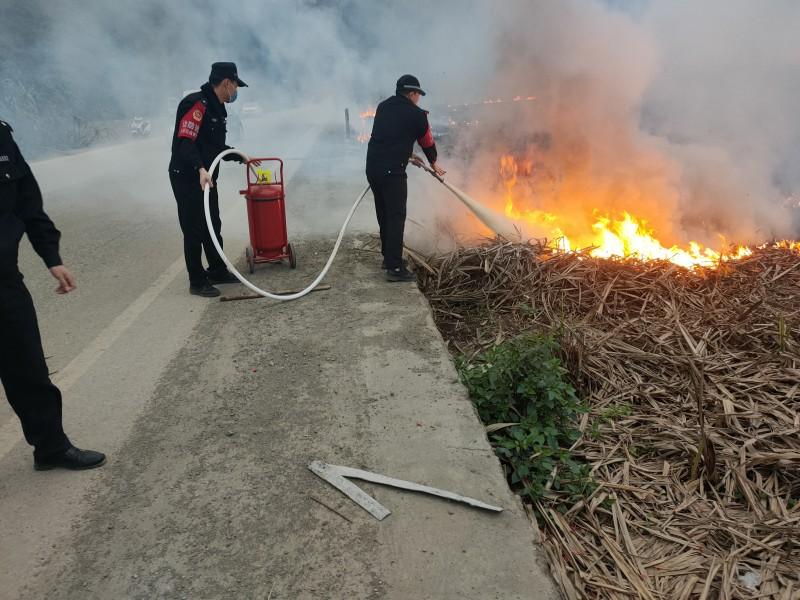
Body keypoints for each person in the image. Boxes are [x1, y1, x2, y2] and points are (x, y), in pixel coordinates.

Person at [0, 119, 106, 471]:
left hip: (4, 281)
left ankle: (51, 448)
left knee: (28, 368)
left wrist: (52, 258)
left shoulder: (2, 139)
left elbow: (29, 204)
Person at [168, 62, 255, 297]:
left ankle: (217, 269)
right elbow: (186, 142)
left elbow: (214, 148)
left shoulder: (217, 109)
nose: (236, 91)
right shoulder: (197, 105)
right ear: (227, 83)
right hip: (187, 176)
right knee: (194, 228)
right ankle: (196, 281)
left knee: (212, 224)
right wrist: (199, 168)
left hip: (206, 177)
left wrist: (240, 156)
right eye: (236, 85)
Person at [366, 74, 446, 282]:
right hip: (392, 172)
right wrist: (433, 162)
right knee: (395, 216)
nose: (419, 98)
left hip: (373, 168)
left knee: (383, 213)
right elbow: (427, 141)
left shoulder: (383, 107)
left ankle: (387, 257)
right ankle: (395, 267)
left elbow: (387, 135)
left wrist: (408, 154)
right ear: (412, 93)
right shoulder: (417, 115)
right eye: (418, 94)